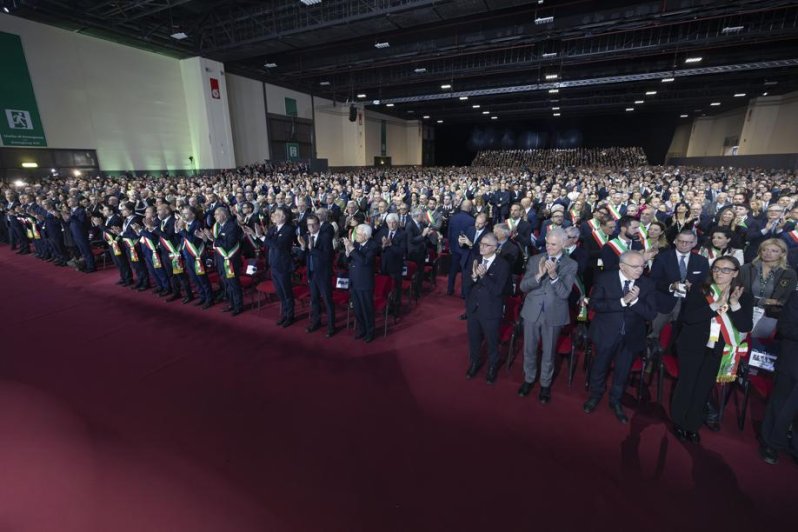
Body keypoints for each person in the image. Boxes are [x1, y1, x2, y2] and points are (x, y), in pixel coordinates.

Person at [670, 256, 753, 443]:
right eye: (716, 269)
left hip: (719, 350)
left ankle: (692, 424)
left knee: (703, 388)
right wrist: (715, 306)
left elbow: (745, 325)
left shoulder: (743, 296)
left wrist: (734, 304)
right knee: (687, 384)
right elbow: (689, 318)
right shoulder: (701, 290)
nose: (719, 273)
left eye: (725, 270)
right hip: (692, 346)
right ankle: (678, 421)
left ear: (735, 273)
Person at [584, 250, 657, 423]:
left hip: (631, 337)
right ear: (622, 266)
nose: (640, 270)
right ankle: (595, 395)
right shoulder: (605, 279)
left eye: (643, 265)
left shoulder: (647, 284)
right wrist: (622, 302)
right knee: (599, 367)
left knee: (622, 372)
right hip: (606, 333)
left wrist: (635, 302)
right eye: (635, 266)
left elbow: (651, 314)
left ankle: (615, 400)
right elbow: (595, 305)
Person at [518, 228, 577, 403]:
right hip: (532, 312)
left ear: (563, 244)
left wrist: (553, 277)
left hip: (554, 313)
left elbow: (565, 293)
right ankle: (528, 379)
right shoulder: (536, 259)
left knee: (549, 353)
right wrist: (539, 275)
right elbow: (523, 287)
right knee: (529, 349)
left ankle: (545, 385)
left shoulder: (570, 264)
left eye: (553, 244)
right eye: (547, 243)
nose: (549, 247)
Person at [464, 233, 512, 384]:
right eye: (481, 244)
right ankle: (475, 362)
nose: (482, 247)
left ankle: (492, 366)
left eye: (486, 245)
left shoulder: (503, 265)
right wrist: (473, 277)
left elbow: (498, 290)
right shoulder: (476, 259)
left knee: (491, 342)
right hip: (474, 308)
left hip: (491, 310)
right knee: (474, 340)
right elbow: (467, 284)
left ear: (495, 248)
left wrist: (484, 276)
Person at [759, 291, 798, 465]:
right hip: (793, 361)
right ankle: (771, 444)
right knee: (781, 403)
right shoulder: (796, 297)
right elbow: (785, 328)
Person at [649, 230, 709, 341]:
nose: (684, 244)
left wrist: (693, 287)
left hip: (687, 305)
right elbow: (653, 281)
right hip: (663, 303)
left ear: (694, 243)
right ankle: (650, 354)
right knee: (653, 334)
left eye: (688, 242)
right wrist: (671, 286)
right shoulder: (662, 258)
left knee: (680, 336)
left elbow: (704, 284)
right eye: (681, 241)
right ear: (675, 241)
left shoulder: (702, 261)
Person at [739, 238, 797, 319]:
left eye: (774, 251)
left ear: (782, 254)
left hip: (770, 316)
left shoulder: (789, 274)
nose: (768, 253)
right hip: (742, 310)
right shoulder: (746, 268)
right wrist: (763, 301)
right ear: (760, 251)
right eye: (764, 250)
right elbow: (737, 293)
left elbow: (787, 299)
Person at [298, 214, 336, 337]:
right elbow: (302, 258)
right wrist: (303, 248)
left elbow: (328, 257)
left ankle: (331, 326)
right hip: (312, 273)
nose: (311, 227)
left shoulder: (325, 237)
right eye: (309, 224)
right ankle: (316, 322)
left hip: (323, 274)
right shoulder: (306, 236)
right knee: (314, 300)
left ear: (319, 224)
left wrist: (312, 249)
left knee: (327, 300)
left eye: (314, 224)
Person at [204, 206, 244, 316]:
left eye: (217, 214)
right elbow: (215, 245)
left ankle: (238, 306)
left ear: (224, 215)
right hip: (220, 260)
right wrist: (207, 239)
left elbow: (228, 244)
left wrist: (213, 238)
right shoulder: (217, 226)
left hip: (230, 260)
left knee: (233, 284)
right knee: (226, 284)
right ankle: (231, 303)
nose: (214, 216)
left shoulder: (232, 227)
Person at [262, 206, 296, 327]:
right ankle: (284, 313)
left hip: (283, 265)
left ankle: (290, 315)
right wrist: (265, 238)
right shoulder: (273, 228)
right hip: (273, 264)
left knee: (286, 292)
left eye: (276, 214)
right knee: (280, 292)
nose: (274, 216)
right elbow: (268, 240)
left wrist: (263, 237)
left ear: (283, 217)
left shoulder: (289, 229)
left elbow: (278, 245)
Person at [344, 224, 378, 343]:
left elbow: (364, 261)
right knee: (357, 309)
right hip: (354, 281)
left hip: (364, 283)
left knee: (366, 309)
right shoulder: (357, 243)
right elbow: (347, 260)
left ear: (365, 235)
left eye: (357, 234)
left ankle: (370, 332)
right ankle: (362, 329)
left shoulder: (372, 246)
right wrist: (348, 251)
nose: (355, 236)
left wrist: (352, 249)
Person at [178, 206, 214, 309]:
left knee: (202, 278)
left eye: (186, 213)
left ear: (192, 215)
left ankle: (209, 299)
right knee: (194, 278)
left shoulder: (197, 224)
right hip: (187, 255)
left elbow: (193, 240)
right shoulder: (186, 224)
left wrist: (182, 229)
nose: (183, 216)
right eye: (183, 213)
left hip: (197, 255)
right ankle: (202, 296)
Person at [375, 213, 407, 314]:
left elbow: (402, 251)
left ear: (397, 223)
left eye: (394, 223)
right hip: (383, 265)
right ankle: (385, 307)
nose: (392, 225)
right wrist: (383, 246)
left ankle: (395, 310)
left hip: (396, 266)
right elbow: (376, 246)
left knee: (396, 289)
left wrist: (390, 245)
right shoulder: (383, 231)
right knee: (384, 287)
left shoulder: (403, 234)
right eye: (389, 223)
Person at [447, 200, 475, 297]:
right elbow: (472, 236)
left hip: (454, 248)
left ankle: (449, 289)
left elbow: (449, 234)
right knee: (465, 271)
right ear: (470, 208)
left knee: (453, 270)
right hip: (466, 250)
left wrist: (450, 246)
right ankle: (464, 293)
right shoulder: (472, 220)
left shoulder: (453, 218)